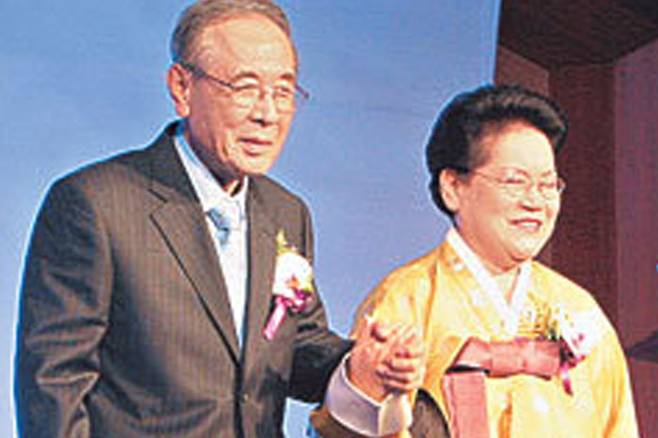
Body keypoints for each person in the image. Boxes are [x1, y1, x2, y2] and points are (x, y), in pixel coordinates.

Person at [14, 1, 423, 436]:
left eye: (283, 91)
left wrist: (360, 364)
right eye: (245, 88)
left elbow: (295, 347)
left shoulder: (286, 213)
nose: (267, 114)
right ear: (182, 88)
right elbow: (53, 386)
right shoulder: (96, 204)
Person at [313, 84, 639, 437]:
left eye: (547, 185)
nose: (535, 201)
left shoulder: (579, 310)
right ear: (453, 187)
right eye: (514, 181)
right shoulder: (406, 299)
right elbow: (353, 426)